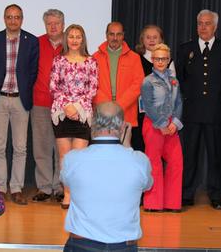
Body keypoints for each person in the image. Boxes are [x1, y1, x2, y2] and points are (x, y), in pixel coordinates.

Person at [61, 102, 153, 252]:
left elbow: (66, 181)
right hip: (124, 245)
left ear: (92, 123)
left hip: (82, 243)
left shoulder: (72, 159)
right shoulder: (139, 161)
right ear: (123, 127)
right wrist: (127, 146)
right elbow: (148, 185)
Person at [176, 9, 221, 210]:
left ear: (215, 26)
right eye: (200, 23)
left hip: (215, 112)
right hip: (192, 111)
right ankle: (186, 194)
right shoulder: (186, 49)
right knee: (190, 155)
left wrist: (218, 96)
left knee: (215, 155)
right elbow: (181, 77)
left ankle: (215, 195)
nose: (203, 27)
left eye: (207, 23)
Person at [0, 4, 39, 205]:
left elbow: (33, 72)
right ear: (4, 19)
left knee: (20, 147)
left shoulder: (31, 41)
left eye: (16, 17)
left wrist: (25, 90)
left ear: (22, 19)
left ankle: (16, 188)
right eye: (9, 17)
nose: (13, 20)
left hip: (20, 99)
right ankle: (0, 188)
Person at [50, 24, 98, 209]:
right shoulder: (59, 61)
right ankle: (67, 194)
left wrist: (76, 107)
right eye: (71, 36)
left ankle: (78, 195)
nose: (75, 40)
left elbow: (92, 89)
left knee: (79, 158)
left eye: (78, 36)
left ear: (83, 39)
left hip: (82, 114)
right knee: (65, 157)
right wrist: (67, 106)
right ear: (66, 39)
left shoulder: (91, 61)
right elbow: (54, 86)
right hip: (62, 113)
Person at [140, 44, 183, 212]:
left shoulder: (174, 80)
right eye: (157, 58)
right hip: (153, 125)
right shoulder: (147, 81)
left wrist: (175, 123)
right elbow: (148, 106)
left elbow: (179, 102)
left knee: (176, 162)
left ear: (168, 60)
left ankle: (172, 203)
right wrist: (162, 124)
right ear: (152, 59)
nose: (160, 62)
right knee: (154, 163)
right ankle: (153, 203)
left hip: (172, 125)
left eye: (164, 59)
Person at [31, 9, 65, 203]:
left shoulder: (71, 43)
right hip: (40, 103)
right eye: (49, 23)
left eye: (56, 23)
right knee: (42, 148)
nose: (53, 27)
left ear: (63, 25)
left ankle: (61, 187)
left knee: (62, 149)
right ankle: (44, 187)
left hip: (64, 107)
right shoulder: (36, 43)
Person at [93, 22, 144, 148]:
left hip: (126, 112)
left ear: (123, 36)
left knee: (125, 151)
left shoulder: (134, 58)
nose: (115, 38)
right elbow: (92, 83)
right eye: (111, 34)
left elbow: (138, 83)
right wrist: (108, 106)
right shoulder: (94, 58)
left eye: (118, 34)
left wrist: (119, 105)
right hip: (102, 113)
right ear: (106, 35)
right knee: (103, 151)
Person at [133, 25, 174, 151]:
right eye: (148, 37)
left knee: (155, 150)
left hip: (159, 113)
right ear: (142, 40)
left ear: (161, 40)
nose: (151, 40)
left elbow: (172, 88)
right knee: (138, 146)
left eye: (155, 37)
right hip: (138, 112)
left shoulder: (169, 61)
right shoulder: (134, 58)